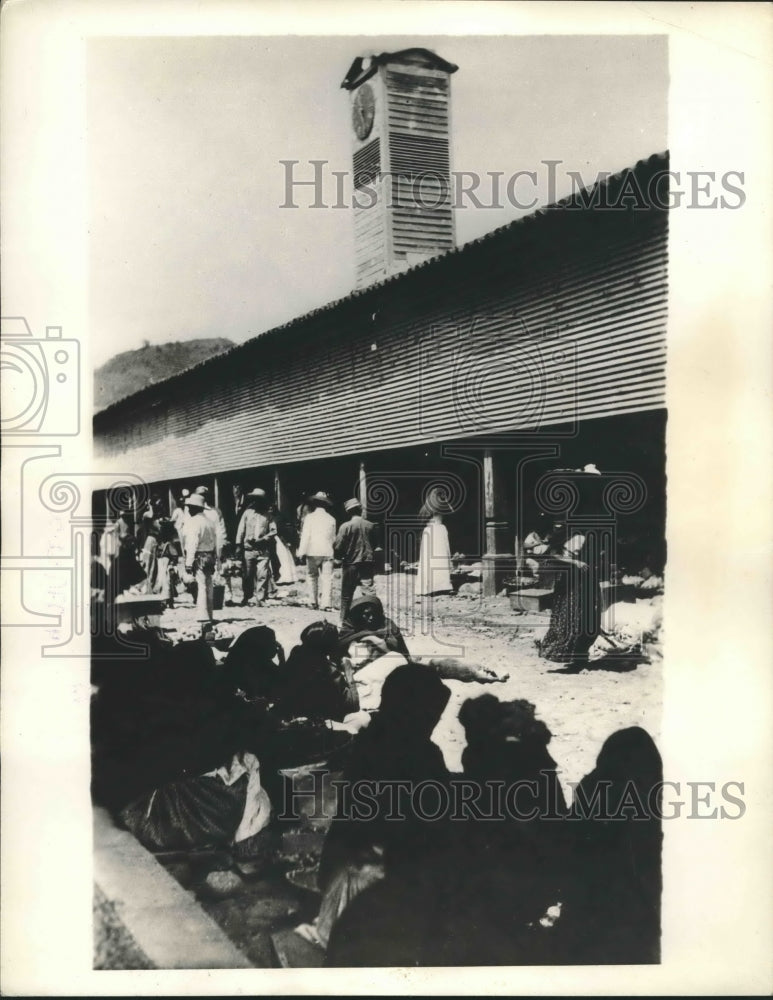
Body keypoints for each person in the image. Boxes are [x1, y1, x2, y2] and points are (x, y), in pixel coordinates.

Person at [312, 663, 451, 951]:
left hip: (361, 865)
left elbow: (347, 819)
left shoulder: (368, 744)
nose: (433, 722)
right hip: (391, 876)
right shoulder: (423, 755)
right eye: (431, 714)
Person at [558, 726, 663, 964]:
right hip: (628, 917)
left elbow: (569, 844)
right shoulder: (647, 803)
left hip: (589, 915)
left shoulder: (592, 788)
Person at [537, 522, 601, 673]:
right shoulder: (565, 539)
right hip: (567, 584)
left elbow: (593, 564)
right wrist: (575, 561)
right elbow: (552, 556)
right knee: (566, 620)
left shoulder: (585, 540)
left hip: (582, 583)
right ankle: (571, 658)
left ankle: (579, 660)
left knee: (582, 621)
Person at [274, 621, 358, 723]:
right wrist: (348, 672)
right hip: (318, 722)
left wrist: (282, 660)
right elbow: (353, 705)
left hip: (290, 714)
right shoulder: (328, 671)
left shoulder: (296, 654)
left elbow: (282, 683)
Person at [334, 498, 378, 622]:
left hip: (351, 563)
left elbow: (338, 546)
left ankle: (343, 621)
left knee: (346, 594)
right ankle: (374, 618)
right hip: (367, 563)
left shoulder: (345, 526)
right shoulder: (370, 525)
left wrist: (338, 557)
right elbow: (375, 544)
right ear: (360, 510)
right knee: (369, 592)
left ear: (348, 512)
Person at [235, 488, 277, 607]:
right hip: (248, 548)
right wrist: (238, 545)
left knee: (262, 575)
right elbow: (240, 530)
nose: (258, 502)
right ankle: (247, 596)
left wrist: (264, 539)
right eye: (255, 499)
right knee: (248, 575)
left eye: (260, 500)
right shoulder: (247, 513)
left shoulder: (268, 515)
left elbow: (274, 531)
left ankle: (260, 598)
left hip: (263, 550)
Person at [182, 492, 218, 621]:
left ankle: (203, 615)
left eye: (191, 507)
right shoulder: (209, 522)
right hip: (210, 555)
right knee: (209, 586)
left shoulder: (193, 522)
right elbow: (215, 541)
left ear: (196, 508)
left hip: (199, 556)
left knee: (201, 585)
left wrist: (188, 562)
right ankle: (210, 613)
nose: (189, 509)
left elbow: (192, 543)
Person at [297, 492, 336, 611]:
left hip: (312, 551)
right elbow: (333, 538)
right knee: (327, 578)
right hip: (327, 551)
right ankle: (326, 604)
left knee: (311, 576)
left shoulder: (310, 518)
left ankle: (313, 602)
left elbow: (305, 536)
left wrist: (301, 552)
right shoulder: (331, 519)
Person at [416, 490, 454, 597]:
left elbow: (420, 519)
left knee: (430, 559)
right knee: (440, 558)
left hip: (429, 530)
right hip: (438, 530)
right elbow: (451, 510)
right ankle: (441, 586)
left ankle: (430, 587)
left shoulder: (426, 507)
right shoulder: (441, 505)